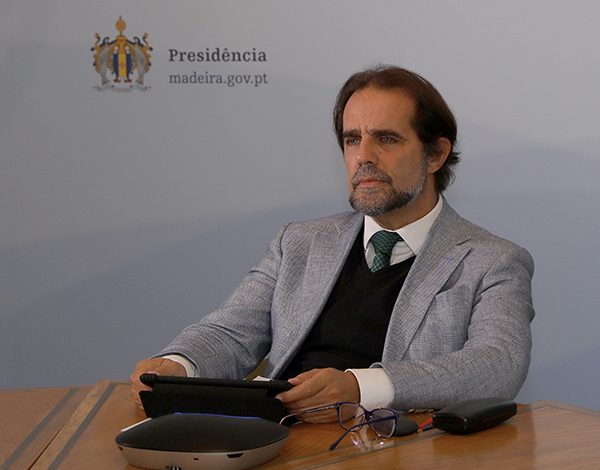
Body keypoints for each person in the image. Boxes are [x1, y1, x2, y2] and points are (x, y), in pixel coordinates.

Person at [130, 65, 534, 423]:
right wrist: (178, 365)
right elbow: (230, 334)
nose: (363, 157)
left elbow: (498, 365)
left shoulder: (493, 260)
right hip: (274, 434)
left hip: (390, 447)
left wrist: (358, 388)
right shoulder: (298, 242)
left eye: (386, 139)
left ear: (435, 155)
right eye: (352, 139)